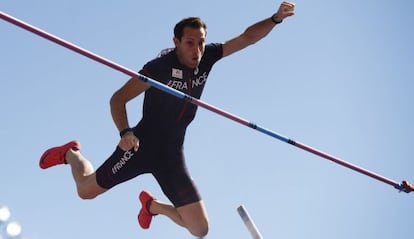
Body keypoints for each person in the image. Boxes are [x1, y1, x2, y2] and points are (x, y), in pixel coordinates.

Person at [39, 2, 295, 238]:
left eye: (201, 42)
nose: (197, 50)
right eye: (190, 43)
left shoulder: (208, 58)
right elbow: (117, 99)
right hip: (140, 146)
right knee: (85, 191)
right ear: (176, 42)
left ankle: (152, 206)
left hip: (172, 154)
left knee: (199, 229)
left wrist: (275, 19)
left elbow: (247, 38)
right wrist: (125, 133)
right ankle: (71, 153)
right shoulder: (159, 67)